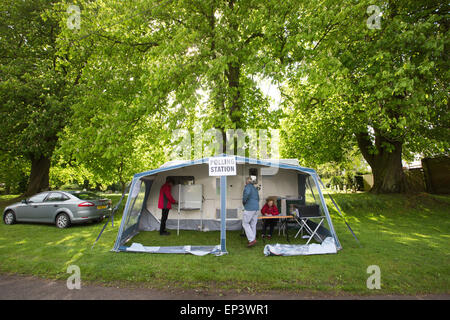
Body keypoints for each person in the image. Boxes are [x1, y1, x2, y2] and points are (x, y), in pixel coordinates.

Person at [242, 176, 260, 247]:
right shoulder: (255, 188)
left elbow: (246, 194)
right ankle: (253, 238)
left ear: (247, 182)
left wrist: (244, 202)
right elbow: (258, 198)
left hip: (250, 207)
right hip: (256, 207)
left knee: (245, 223)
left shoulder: (248, 187)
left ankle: (252, 239)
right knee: (253, 224)